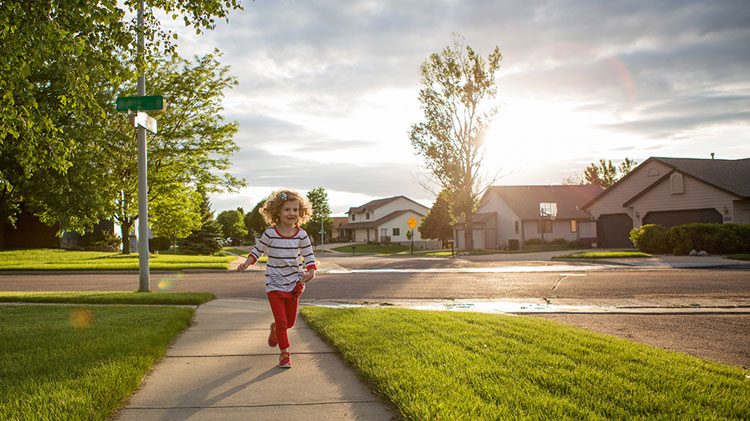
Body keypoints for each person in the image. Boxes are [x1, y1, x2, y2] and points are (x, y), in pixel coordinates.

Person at [237, 190, 316, 368]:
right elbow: (258, 250)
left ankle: (275, 330)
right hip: (274, 283)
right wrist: (247, 262)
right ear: (278, 212)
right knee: (282, 322)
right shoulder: (270, 233)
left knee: (289, 322)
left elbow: (308, 255)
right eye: (287, 209)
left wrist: (311, 271)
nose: (292, 213)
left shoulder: (301, 235)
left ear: (301, 212)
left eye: (295, 210)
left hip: (294, 283)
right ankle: (285, 353)